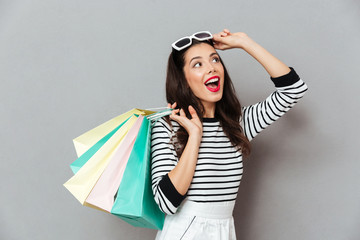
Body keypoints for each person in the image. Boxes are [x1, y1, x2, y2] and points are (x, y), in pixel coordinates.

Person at [150, 29, 308, 240]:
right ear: (183, 79)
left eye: (215, 60)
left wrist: (245, 43)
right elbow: (166, 203)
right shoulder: (170, 125)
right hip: (185, 231)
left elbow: (293, 89)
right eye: (197, 64)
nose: (211, 68)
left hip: (224, 230)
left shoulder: (238, 125)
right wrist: (195, 137)